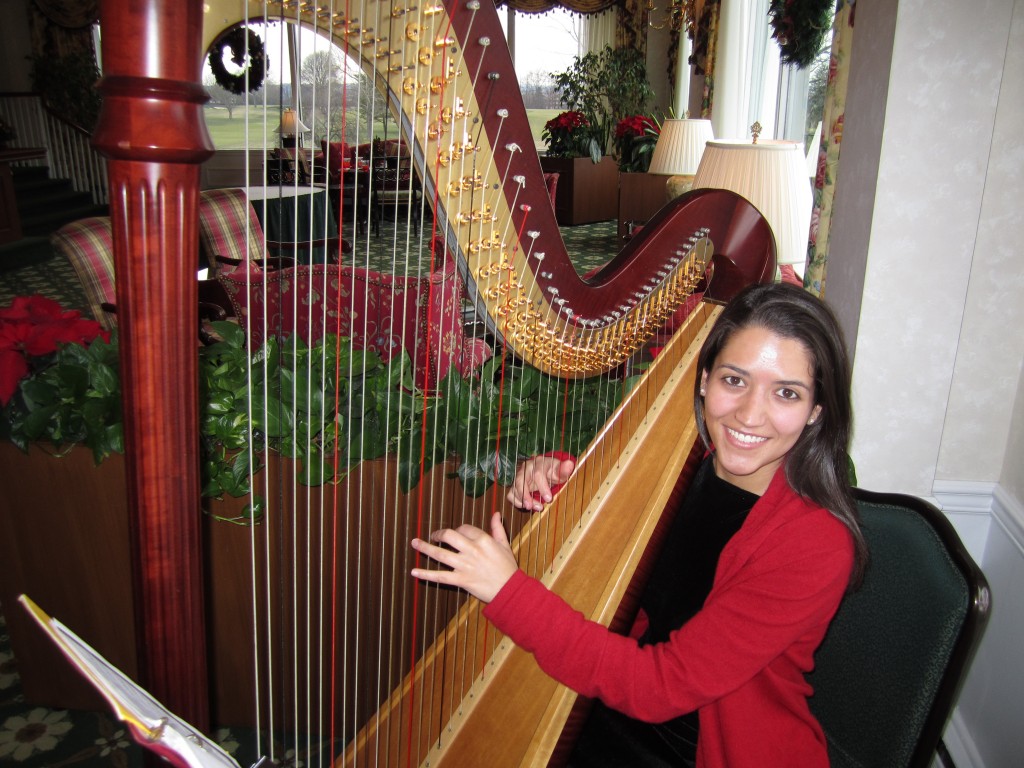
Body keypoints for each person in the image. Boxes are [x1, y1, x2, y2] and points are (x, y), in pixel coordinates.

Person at [410, 283, 868, 768]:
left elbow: (660, 686)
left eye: (786, 393)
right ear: (704, 379)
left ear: (816, 411)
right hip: (612, 708)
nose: (750, 414)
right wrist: (559, 476)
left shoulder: (816, 544)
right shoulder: (686, 462)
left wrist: (508, 592)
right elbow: (647, 543)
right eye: (734, 380)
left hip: (699, 747)